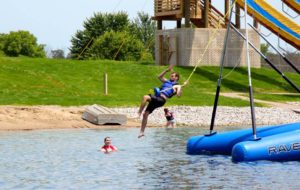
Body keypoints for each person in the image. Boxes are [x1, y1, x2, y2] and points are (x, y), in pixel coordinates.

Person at [138, 65, 187, 138]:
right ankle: (142, 132)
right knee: (145, 114)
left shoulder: (177, 86)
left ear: (176, 78)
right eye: (171, 76)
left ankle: (138, 113)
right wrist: (166, 70)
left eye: (173, 76)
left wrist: (182, 87)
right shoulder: (167, 81)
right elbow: (159, 77)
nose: (171, 77)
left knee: (145, 97)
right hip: (157, 98)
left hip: (161, 99)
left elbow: (178, 95)